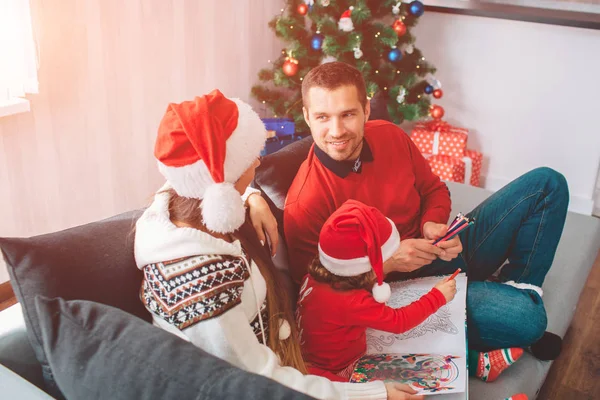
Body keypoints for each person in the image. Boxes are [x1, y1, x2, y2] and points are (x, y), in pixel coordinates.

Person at [134, 89, 425, 400]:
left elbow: (193, 177)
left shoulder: (177, 200)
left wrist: (253, 197)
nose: (259, 160)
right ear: (224, 178)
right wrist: (375, 395)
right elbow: (258, 378)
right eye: (249, 158)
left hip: (290, 361)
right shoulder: (199, 281)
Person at [284, 62, 569, 358]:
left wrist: (433, 223)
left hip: (438, 250)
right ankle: (508, 307)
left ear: (366, 110)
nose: (337, 131)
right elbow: (316, 295)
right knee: (529, 320)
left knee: (547, 184)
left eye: (348, 114)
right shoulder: (304, 202)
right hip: (396, 289)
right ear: (307, 117)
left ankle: (515, 287)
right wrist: (389, 263)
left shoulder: (390, 135)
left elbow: (434, 189)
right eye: (322, 117)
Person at [296, 199, 456, 381]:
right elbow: (400, 322)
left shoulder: (313, 277)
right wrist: (437, 297)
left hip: (313, 359)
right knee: (417, 371)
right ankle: (472, 361)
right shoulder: (352, 301)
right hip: (338, 371)